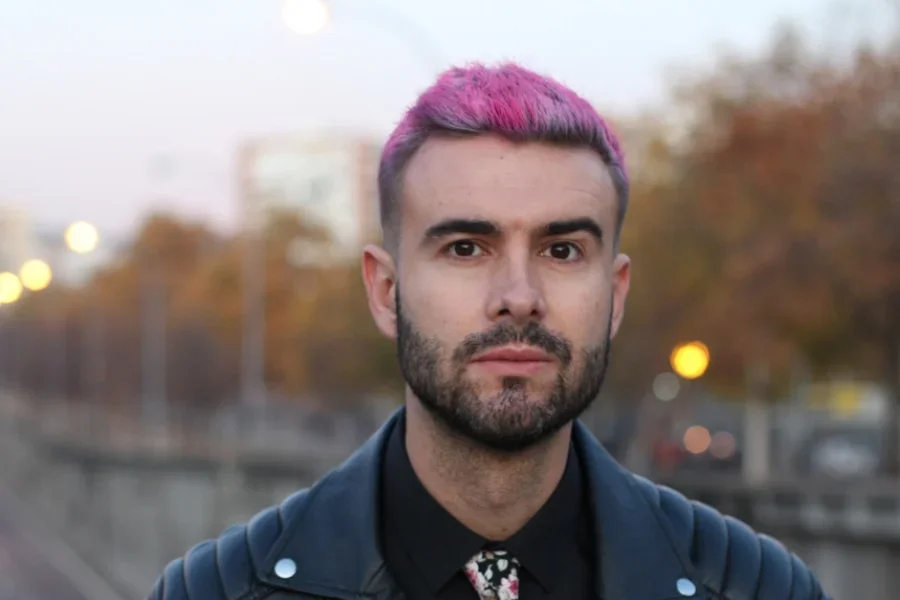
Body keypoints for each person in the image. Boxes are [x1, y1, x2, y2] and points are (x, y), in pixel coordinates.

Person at [147, 62, 830, 600]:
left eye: (562, 251)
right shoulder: (220, 591)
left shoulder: (759, 589)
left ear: (615, 295)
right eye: (466, 249)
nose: (518, 298)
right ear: (386, 293)